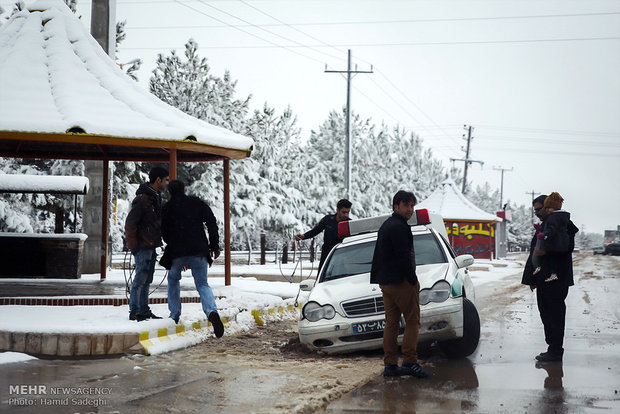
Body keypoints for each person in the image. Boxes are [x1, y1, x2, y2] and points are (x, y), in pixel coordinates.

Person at [370, 190, 430, 378]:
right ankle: (410, 361)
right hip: (401, 282)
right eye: (406, 205)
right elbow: (404, 256)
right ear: (396, 206)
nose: (410, 209)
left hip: (386, 282)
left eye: (412, 205)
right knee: (412, 321)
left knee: (392, 323)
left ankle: (390, 365)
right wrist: (412, 280)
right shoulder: (399, 227)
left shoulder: (387, 225)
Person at [161, 179, 224, 338]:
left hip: (177, 252)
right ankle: (211, 311)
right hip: (199, 250)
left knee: (173, 280)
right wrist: (214, 245)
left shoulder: (167, 208)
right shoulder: (196, 203)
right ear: (184, 189)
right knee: (202, 283)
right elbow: (211, 221)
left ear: (170, 192)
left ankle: (174, 315)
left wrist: (176, 246)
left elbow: (163, 231)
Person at [522, 193, 578, 362]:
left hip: (556, 279)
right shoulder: (546, 225)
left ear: (547, 208)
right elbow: (535, 254)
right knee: (546, 313)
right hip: (543, 278)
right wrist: (532, 279)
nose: (537, 213)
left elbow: (565, 247)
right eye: (535, 211)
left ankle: (555, 350)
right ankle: (552, 348)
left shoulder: (561, 224)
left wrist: (546, 250)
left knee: (554, 314)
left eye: (539, 209)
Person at [125, 167, 169, 321]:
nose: (167, 183)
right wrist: (134, 247)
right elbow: (130, 223)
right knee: (139, 279)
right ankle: (135, 311)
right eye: (166, 180)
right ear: (158, 180)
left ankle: (143, 310)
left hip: (150, 246)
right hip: (143, 247)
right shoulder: (143, 198)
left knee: (147, 279)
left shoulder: (153, 197)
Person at [295, 199, 352, 272]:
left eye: (348, 212)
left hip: (341, 255)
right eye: (344, 212)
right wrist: (303, 236)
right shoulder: (328, 220)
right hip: (327, 254)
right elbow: (316, 230)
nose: (346, 215)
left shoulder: (349, 223)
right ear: (337, 210)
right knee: (323, 274)